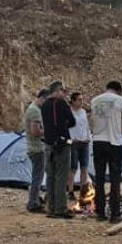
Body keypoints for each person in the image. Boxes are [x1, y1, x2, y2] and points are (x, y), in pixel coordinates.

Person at [90, 80, 122, 223]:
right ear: (118, 90)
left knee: (99, 180)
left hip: (97, 141)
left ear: (106, 88)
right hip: (114, 142)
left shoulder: (94, 100)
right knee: (115, 180)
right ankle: (115, 214)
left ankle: (100, 213)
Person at [41, 81, 75, 219]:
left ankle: (51, 207)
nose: (64, 93)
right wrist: (63, 125)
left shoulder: (44, 105)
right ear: (58, 90)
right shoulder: (61, 103)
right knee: (61, 176)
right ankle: (60, 209)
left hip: (48, 144)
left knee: (50, 176)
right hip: (62, 144)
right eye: (63, 91)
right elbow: (72, 121)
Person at [24, 88, 49, 214]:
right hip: (37, 148)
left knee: (37, 176)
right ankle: (33, 203)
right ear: (42, 98)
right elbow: (35, 132)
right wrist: (49, 131)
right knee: (37, 177)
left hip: (34, 147)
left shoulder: (33, 109)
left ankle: (34, 199)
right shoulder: (35, 111)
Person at [67, 92, 91, 199]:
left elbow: (86, 125)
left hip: (84, 142)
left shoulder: (83, 112)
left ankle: (83, 190)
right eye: (79, 100)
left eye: (82, 100)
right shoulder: (68, 112)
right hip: (74, 142)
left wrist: (88, 137)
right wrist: (70, 140)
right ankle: (70, 191)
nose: (81, 102)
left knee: (84, 168)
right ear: (73, 101)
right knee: (73, 168)